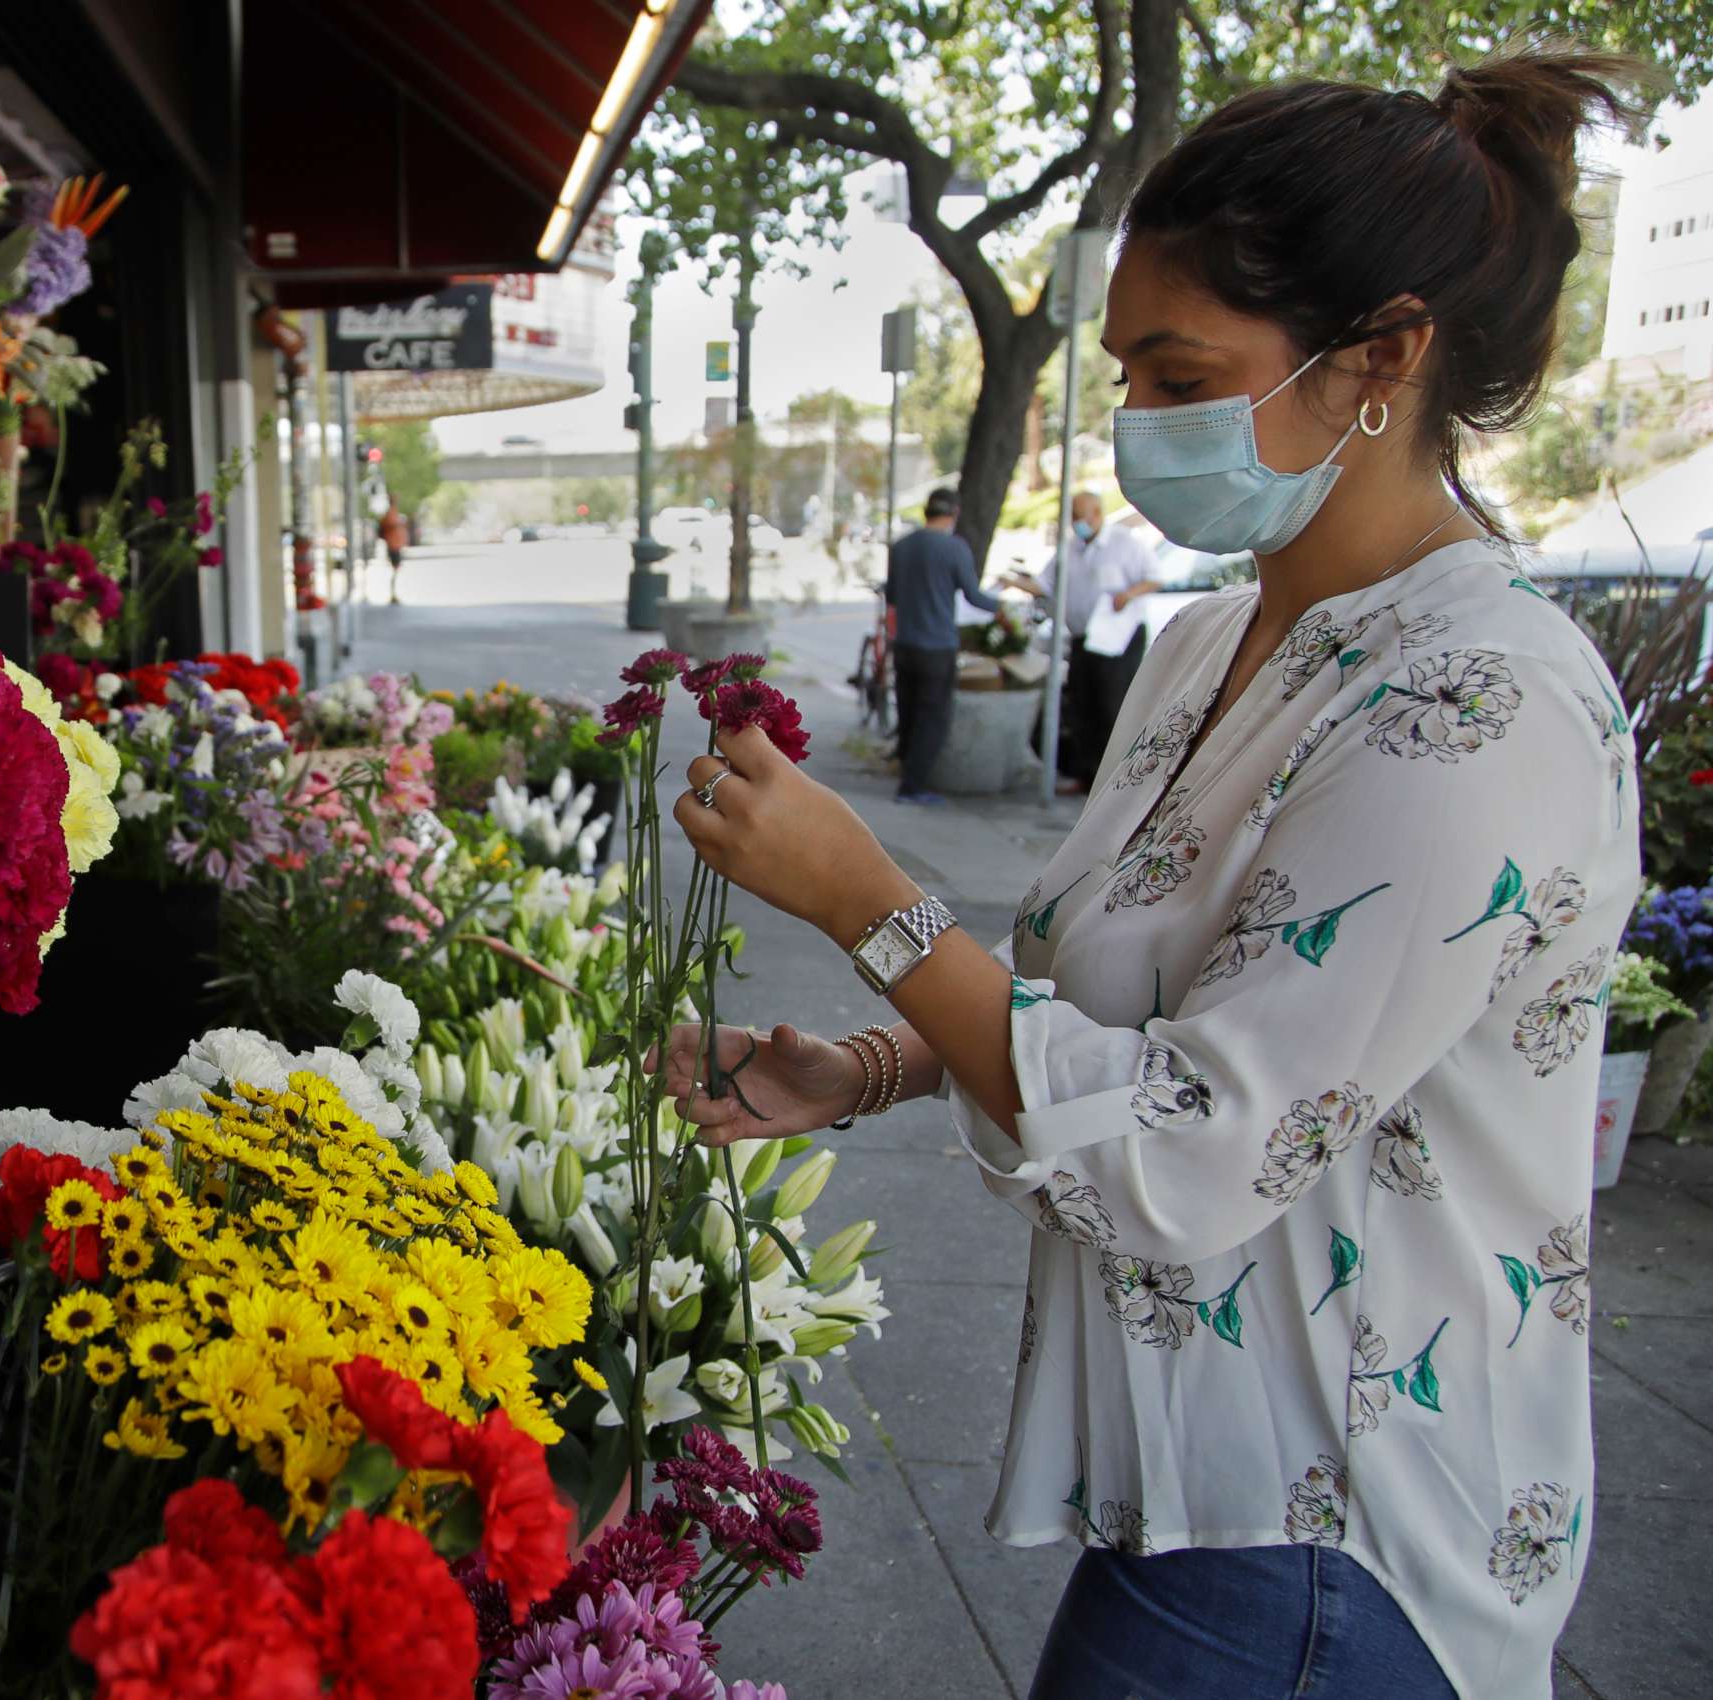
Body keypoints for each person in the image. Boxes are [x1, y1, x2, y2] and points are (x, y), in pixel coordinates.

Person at [657, 49, 1642, 1700]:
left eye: (1180, 374)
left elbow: (1190, 1157)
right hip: (1204, 1492)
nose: (1134, 425)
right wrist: (874, 1065)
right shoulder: (1207, 644)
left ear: (1379, 358)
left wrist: (865, 903)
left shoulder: (1475, 705)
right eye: (1124, 373)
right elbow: (1105, 995)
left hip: (1331, 1536)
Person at [1003, 493, 1162, 790]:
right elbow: (1044, 584)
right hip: (1081, 637)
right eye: (1073, 517)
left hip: (1118, 639)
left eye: (1081, 516)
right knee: (1081, 706)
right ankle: (1087, 774)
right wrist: (1012, 582)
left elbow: (1154, 577)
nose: (1077, 524)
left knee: (1109, 706)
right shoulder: (1070, 549)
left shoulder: (1124, 543)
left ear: (1097, 513)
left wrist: (1128, 594)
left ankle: (1113, 777)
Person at [885, 485, 1000, 804]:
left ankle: (905, 769)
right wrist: (1003, 607)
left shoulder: (902, 547)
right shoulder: (954, 548)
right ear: (954, 514)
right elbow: (974, 596)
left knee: (907, 710)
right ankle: (913, 786)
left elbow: (892, 595)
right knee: (931, 716)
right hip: (937, 646)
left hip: (905, 643)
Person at [379, 502, 410, 604]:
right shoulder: (391, 515)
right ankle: (393, 594)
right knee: (395, 570)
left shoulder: (393, 514)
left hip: (395, 546)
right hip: (393, 546)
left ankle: (394, 593)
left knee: (396, 570)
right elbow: (389, 527)